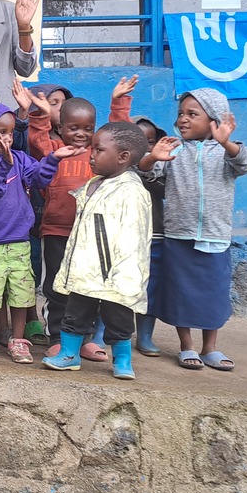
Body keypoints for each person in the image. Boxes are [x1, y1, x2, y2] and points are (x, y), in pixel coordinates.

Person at [17, 77, 137, 361]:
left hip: (92, 236)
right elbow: (36, 138)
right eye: (74, 127)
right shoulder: (54, 150)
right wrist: (41, 114)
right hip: (57, 231)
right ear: (61, 127)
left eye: (88, 129)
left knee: (89, 288)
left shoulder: (101, 156)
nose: (82, 134)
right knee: (57, 287)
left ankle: (84, 339)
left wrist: (118, 102)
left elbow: (121, 137)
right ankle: (58, 337)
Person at [140, 88, 247, 371]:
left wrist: (226, 143)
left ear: (214, 120)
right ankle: (187, 346)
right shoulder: (175, 149)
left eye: (193, 114)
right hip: (179, 235)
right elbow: (147, 174)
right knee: (182, 293)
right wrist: (152, 157)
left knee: (212, 295)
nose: (183, 120)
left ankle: (210, 348)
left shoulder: (227, 152)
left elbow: (246, 162)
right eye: (181, 114)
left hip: (215, 235)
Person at [0, 100, 77, 363]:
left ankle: (18, 339)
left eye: (10, 132)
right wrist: (3, 164)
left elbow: (39, 179)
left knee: (21, 291)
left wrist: (52, 159)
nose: (7, 138)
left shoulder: (21, 159)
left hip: (19, 240)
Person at [41, 121, 151, 378]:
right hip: (84, 269)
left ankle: (122, 360)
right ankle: (68, 354)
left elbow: (134, 238)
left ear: (123, 157)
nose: (91, 155)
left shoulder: (132, 191)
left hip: (116, 275)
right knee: (75, 312)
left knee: (119, 318)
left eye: (99, 150)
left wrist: (123, 274)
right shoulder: (95, 183)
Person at [133, 115, 167, 357]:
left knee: (149, 287)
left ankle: (145, 335)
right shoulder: (113, 166)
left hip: (153, 234)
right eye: (139, 141)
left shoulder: (160, 169)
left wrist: (151, 165)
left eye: (151, 141)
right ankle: (102, 331)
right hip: (121, 237)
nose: (146, 147)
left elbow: (162, 188)